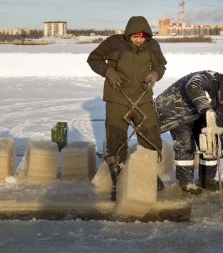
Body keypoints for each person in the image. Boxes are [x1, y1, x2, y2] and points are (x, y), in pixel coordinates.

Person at [87, 16, 167, 201]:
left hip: (143, 98)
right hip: (117, 98)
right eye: (135, 36)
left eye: (142, 37)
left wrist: (154, 74)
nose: (139, 40)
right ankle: (119, 182)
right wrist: (109, 72)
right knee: (116, 140)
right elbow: (94, 59)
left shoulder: (152, 45)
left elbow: (160, 66)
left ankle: (148, 175)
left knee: (152, 138)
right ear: (129, 34)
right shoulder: (114, 42)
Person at [154, 70, 223, 195]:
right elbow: (192, 85)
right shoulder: (209, 79)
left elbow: (218, 120)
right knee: (186, 145)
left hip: (197, 115)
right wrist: (205, 107)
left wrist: (217, 136)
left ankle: (207, 179)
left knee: (212, 143)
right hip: (177, 111)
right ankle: (186, 182)